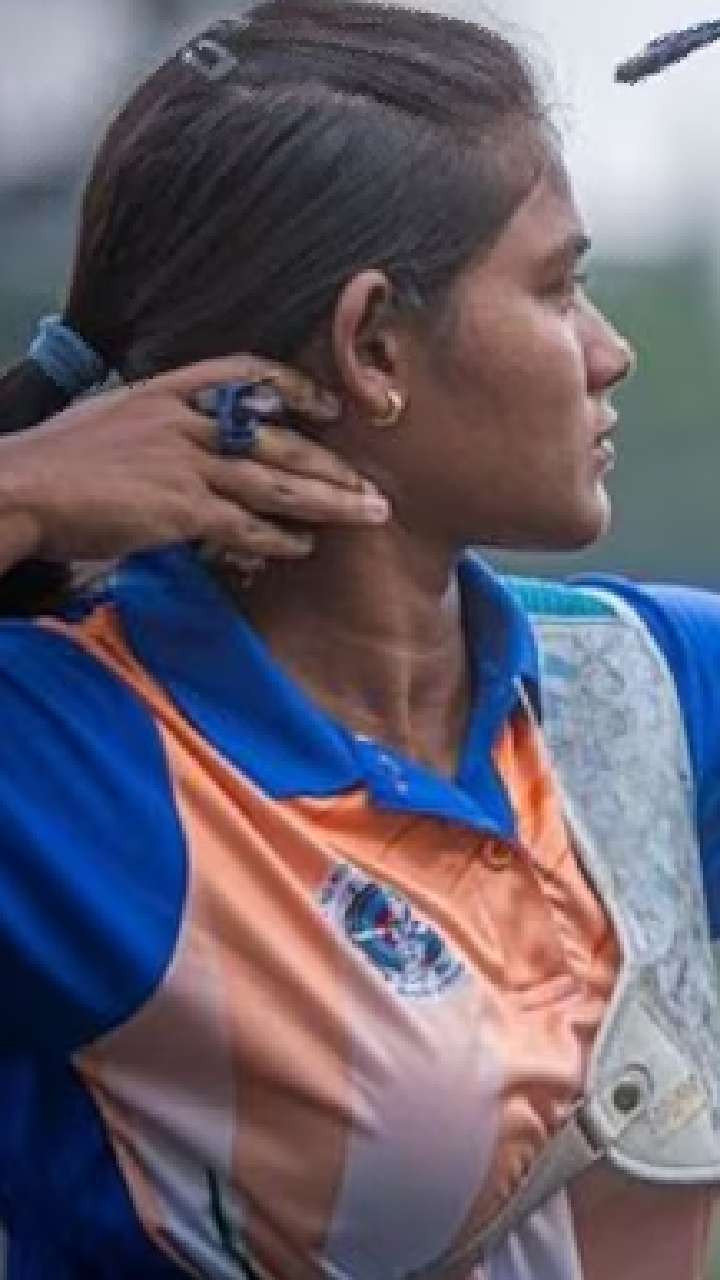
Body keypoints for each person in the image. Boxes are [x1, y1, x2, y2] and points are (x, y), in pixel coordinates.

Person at [0, 3, 719, 1278]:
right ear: (374, 344)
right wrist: (22, 489)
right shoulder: (76, 754)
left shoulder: (642, 686)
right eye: (558, 287)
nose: (610, 353)